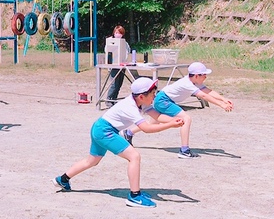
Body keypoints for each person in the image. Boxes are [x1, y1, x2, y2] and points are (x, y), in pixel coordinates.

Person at [53, 77, 184, 208]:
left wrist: (173, 120)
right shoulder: (131, 107)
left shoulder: (140, 102)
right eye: (152, 94)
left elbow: (157, 116)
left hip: (99, 127)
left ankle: (62, 179)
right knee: (134, 156)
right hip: (105, 131)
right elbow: (147, 129)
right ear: (142, 96)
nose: (155, 96)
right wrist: (170, 125)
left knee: (92, 161)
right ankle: (134, 196)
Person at [152, 61, 234, 159]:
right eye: (204, 75)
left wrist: (224, 99)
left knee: (153, 122)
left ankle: (129, 133)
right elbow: (203, 95)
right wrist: (221, 105)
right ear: (196, 76)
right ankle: (184, 151)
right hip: (163, 100)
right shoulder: (188, 84)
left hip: (164, 99)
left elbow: (207, 91)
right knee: (186, 119)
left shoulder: (194, 81)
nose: (205, 77)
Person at [105, 25, 134, 108]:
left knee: (119, 83)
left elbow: (127, 51)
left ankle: (114, 99)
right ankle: (109, 100)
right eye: (117, 32)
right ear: (114, 32)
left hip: (122, 65)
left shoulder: (124, 42)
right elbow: (108, 51)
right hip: (114, 65)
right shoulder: (110, 41)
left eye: (120, 33)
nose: (118, 34)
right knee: (114, 83)